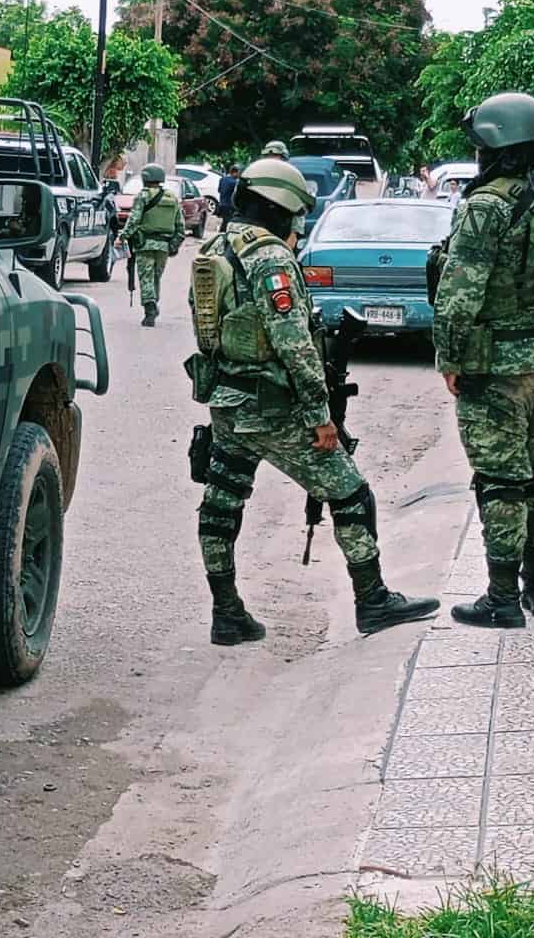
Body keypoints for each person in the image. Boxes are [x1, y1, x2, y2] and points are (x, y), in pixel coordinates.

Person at [187, 157, 440, 644]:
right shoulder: (270, 258)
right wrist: (320, 416)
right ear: (279, 206)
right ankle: (373, 601)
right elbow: (294, 344)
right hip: (274, 406)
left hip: (227, 399)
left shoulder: (216, 247)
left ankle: (226, 612)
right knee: (351, 494)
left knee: (221, 502)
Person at [431, 92, 534, 629]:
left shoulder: (486, 206)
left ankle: (501, 598)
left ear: (493, 145)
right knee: (532, 477)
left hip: (494, 363)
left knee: (499, 480)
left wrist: (449, 356)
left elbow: (459, 291)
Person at [118, 164, 184, 326]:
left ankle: (150, 309)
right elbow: (180, 227)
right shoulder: (172, 198)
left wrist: (122, 237)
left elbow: (133, 221)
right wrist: (173, 245)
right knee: (156, 278)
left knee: (146, 277)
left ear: (145, 178)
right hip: (164, 246)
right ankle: (153, 303)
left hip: (145, 244)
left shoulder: (143, 197)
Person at [216, 163, 240, 229]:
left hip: (221, 204)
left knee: (225, 221)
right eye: (238, 173)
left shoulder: (222, 179)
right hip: (229, 205)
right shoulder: (234, 182)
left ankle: (221, 232)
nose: (239, 175)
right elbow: (237, 194)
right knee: (228, 222)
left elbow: (219, 190)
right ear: (234, 173)